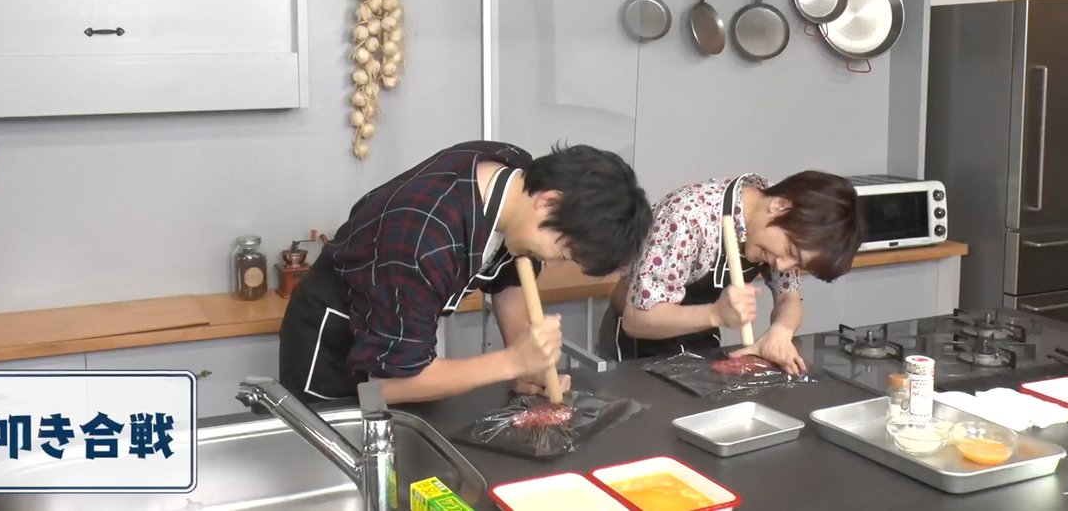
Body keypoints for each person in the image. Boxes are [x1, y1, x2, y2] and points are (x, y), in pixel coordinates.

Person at [279, 140, 652, 404]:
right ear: (549, 201)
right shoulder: (422, 239)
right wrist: (511, 362)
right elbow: (387, 386)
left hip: (394, 330)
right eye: (563, 253)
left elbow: (509, 275)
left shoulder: (515, 181)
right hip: (332, 347)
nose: (553, 264)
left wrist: (528, 361)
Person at [598, 171, 862, 373]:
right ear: (780, 206)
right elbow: (638, 320)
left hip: (699, 345)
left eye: (797, 263)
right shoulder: (689, 217)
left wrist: (781, 332)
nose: (782, 265)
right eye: (790, 251)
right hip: (637, 349)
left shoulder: (774, 221)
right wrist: (716, 314)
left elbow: (789, 299)